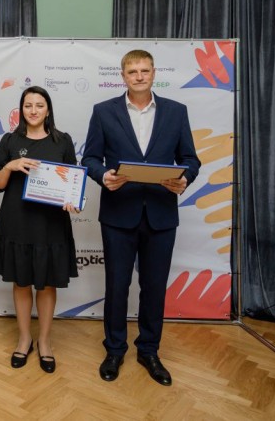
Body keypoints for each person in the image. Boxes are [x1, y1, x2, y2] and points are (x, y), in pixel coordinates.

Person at [82, 49, 201, 387]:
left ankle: (149, 350)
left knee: (154, 288)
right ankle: (114, 350)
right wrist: (103, 176)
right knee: (117, 286)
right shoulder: (103, 112)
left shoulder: (176, 112)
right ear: (123, 76)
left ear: (153, 73)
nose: (138, 76)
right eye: (132, 71)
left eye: (144, 70)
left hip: (161, 214)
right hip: (118, 214)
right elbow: (90, 158)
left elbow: (191, 159)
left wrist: (185, 178)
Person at [0, 86, 80, 373]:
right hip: (18, 222)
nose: (34, 110)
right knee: (21, 282)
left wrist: (72, 201)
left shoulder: (62, 140)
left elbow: (73, 182)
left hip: (51, 225)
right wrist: (10, 166)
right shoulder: (10, 140)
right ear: (21, 109)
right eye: (28, 105)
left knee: (48, 283)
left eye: (39, 105)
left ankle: (45, 341)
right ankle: (24, 338)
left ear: (48, 109)